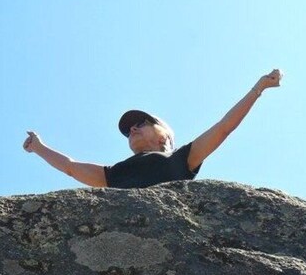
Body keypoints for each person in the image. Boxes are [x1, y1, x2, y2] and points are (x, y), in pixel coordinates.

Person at [23, 69, 282, 188]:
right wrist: (38, 147)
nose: (133, 130)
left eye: (141, 123)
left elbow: (224, 126)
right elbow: (70, 167)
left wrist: (257, 89)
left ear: (165, 137)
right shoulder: (116, 174)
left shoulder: (181, 159)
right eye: (128, 130)